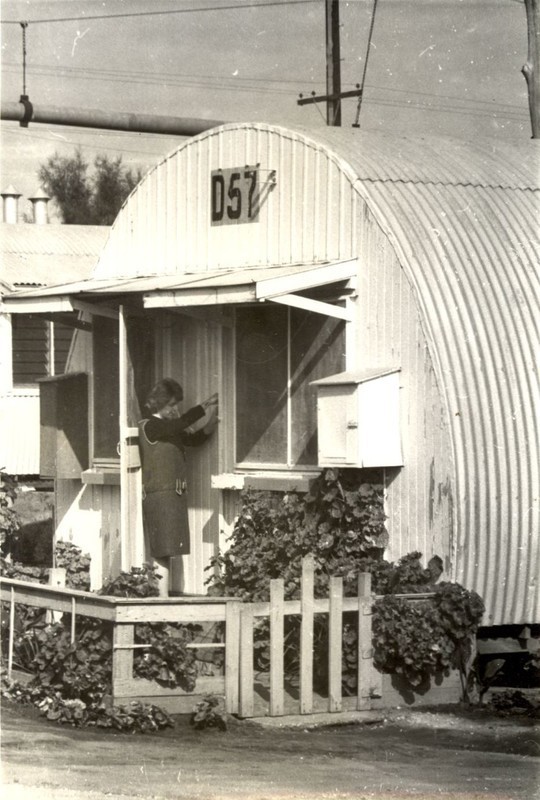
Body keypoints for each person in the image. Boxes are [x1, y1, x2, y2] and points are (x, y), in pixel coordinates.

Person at [138, 378, 218, 596]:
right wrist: (205, 405)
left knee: (170, 547)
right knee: (163, 548)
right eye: (171, 405)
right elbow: (180, 424)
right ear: (159, 403)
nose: (174, 410)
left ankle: (162, 596)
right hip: (159, 494)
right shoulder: (150, 426)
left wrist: (210, 425)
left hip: (172, 494)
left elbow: (192, 440)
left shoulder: (166, 429)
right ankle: (161, 598)